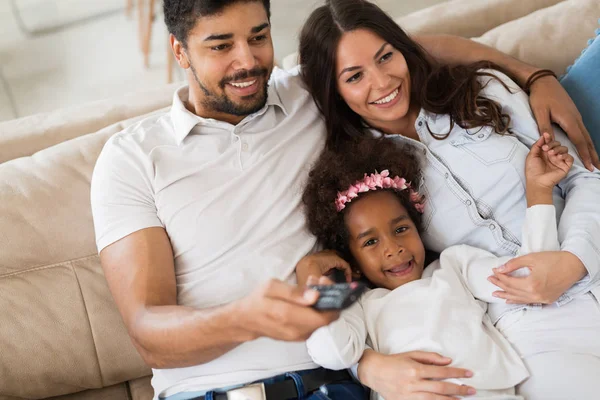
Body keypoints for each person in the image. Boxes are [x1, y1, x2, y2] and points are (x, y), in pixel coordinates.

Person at [90, 0, 600, 399]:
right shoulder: (133, 157)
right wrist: (251, 318)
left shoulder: (301, 95)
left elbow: (398, 50)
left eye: (259, 37)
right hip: (222, 389)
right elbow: (147, 331)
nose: (247, 61)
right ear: (179, 51)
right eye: (220, 46)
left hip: (335, 382)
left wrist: (534, 75)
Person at [298, 0, 600, 398]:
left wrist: (575, 261)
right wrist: (362, 359)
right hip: (529, 324)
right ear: (331, 90)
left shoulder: (482, 90)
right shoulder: (360, 181)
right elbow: (349, 291)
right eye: (355, 76)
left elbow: (586, 176)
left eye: (386, 56)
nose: (383, 82)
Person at [300, 133, 576, 399]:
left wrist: (539, 192)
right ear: (353, 262)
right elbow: (334, 355)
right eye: (371, 242)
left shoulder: (454, 267)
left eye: (400, 229)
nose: (393, 248)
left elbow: (530, 276)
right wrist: (323, 299)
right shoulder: (360, 303)